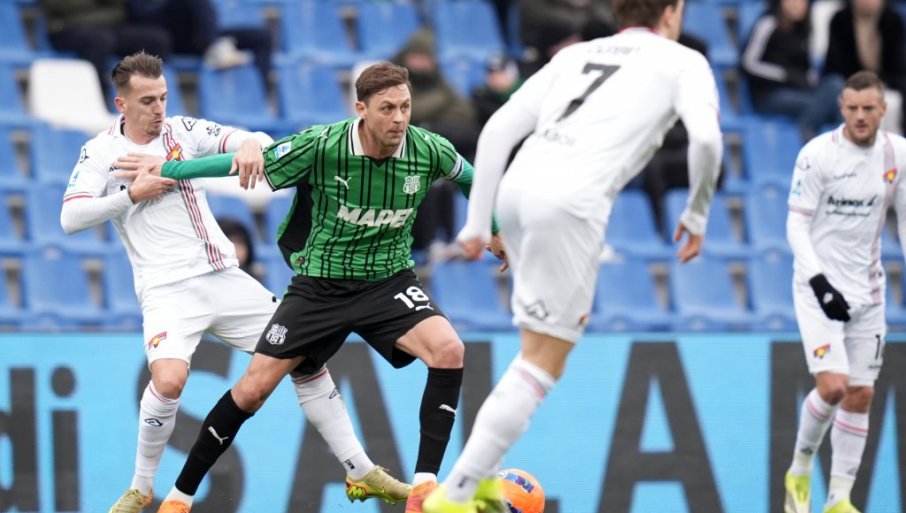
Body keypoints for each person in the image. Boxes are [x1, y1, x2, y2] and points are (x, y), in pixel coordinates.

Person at [113, 61, 506, 513]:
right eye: (387, 109)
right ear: (361, 109)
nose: (399, 118)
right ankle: (180, 498)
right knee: (253, 390)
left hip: (387, 280)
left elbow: (470, 177)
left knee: (449, 349)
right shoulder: (322, 146)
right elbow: (246, 162)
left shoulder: (427, 148)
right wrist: (170, 168)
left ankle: (424, 488)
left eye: (405, 107)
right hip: (320, 286)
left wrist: (493, 228)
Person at [60, 52, 408, 513]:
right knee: (169, 381)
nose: (159, 109)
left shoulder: (182, 132)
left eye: (163, 97)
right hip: (167, 290)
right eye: (147, 101)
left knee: (304, 357)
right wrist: (131, 195)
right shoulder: (100, 152)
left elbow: (253, 140)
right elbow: (71, 218)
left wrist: (250, 145)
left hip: (224, 278)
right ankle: (141, 488)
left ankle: (361, 471)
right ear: (121, 104)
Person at [422, 0, 723, 511]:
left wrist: (477, 221)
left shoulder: (578, 54)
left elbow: (497, 129)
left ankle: (482, 476)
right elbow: (708, 143)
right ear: (672, 12)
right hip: (570, 203)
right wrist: (696, 214)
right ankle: (456, 495)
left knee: (531, 349)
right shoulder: (684, 61)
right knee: (544, 362)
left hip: (517, 189)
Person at [783, 71, 906, 513]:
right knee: (833, 386)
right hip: (817, 288)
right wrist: (818, 282)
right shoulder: (817, 154)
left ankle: (839, 499)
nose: (860, 116)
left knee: (861, 393)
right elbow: (796, 223)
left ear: (883, 109)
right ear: (841, 108)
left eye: (868, 109)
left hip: (868, 290)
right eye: (852, 108)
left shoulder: (898, 154)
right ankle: (799, 471)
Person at [740, 0, 843, 139]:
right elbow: (747, 63)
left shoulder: (805, 30)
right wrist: (784, 75)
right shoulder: (768, 23)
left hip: (801, 91)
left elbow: (808, 69)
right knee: (824, 108)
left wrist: (808, 81)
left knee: (835, 84)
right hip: (770, 94)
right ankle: (806, 131)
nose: (797, 4)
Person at [40, 0, 171, 97]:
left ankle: (147, 96)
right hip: (68, 27)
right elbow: (61, 6)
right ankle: (100, 97)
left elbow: (119, 7)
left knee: (157, 41)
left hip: (109, 25)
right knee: (99, 41)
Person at [824, 0, 906, 133]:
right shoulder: (840, 20)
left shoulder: (893, 20)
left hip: (887, 82)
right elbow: (833, 65)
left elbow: (899, 65)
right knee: (836, 88)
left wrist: (880, 83)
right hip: (850, 83)